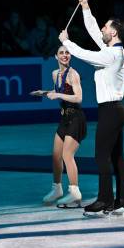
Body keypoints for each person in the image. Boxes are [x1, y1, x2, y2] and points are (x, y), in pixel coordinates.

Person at [59, 0, 124, 215]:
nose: (102, 29)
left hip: (111, 111)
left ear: (113, 31)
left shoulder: (112, 55)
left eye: (105, 27)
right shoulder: (111, 50)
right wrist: (85, 7)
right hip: (115, 110)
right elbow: (93, 33)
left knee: (102, 156)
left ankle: (105, 201)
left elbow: (87, 54)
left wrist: (66, 43)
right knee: (116, 157)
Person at [41, 45, 86, 208]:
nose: (65, 55)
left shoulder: (74, 74)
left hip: (76, 118)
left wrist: (58, 95)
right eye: (61, 52)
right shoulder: (55, 74)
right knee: (55, 156)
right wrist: (46, 92)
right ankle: (57, 189)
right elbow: (58, 89)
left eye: (67, 53)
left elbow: (79, 97)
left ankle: (75, 192)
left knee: (68, 155)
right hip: (64, 118)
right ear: (56, 56)